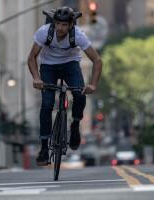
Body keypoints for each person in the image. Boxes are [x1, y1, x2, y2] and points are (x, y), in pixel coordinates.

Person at [27, 7, 102, 166]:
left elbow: (97, 60)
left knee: (80, 95)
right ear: (54, 23)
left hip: (70, 66)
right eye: (58, 24)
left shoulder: (79, 36)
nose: (60, 28)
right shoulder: (44, 32)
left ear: (71, 25)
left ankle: (75, 125)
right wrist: (36, 78)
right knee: (47, 104)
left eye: (64, 25)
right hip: (48, 67)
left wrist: (93, 84)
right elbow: (32, 57)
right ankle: (44, 148)